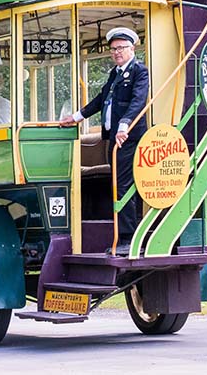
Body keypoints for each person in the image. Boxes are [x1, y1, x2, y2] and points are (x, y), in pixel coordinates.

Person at [61, 27, 148, 255]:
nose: (116, 53)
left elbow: (138, 101)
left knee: (124, 186)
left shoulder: (140, 72)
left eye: (120, 48)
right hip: (113, 138)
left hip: (128, 138)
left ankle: (128, 238)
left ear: (132, 48)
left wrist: (124, 126)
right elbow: (101, 100)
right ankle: (122, 235)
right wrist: (77, 116)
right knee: (117, 186)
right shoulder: (115, 74)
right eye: (113, 49)